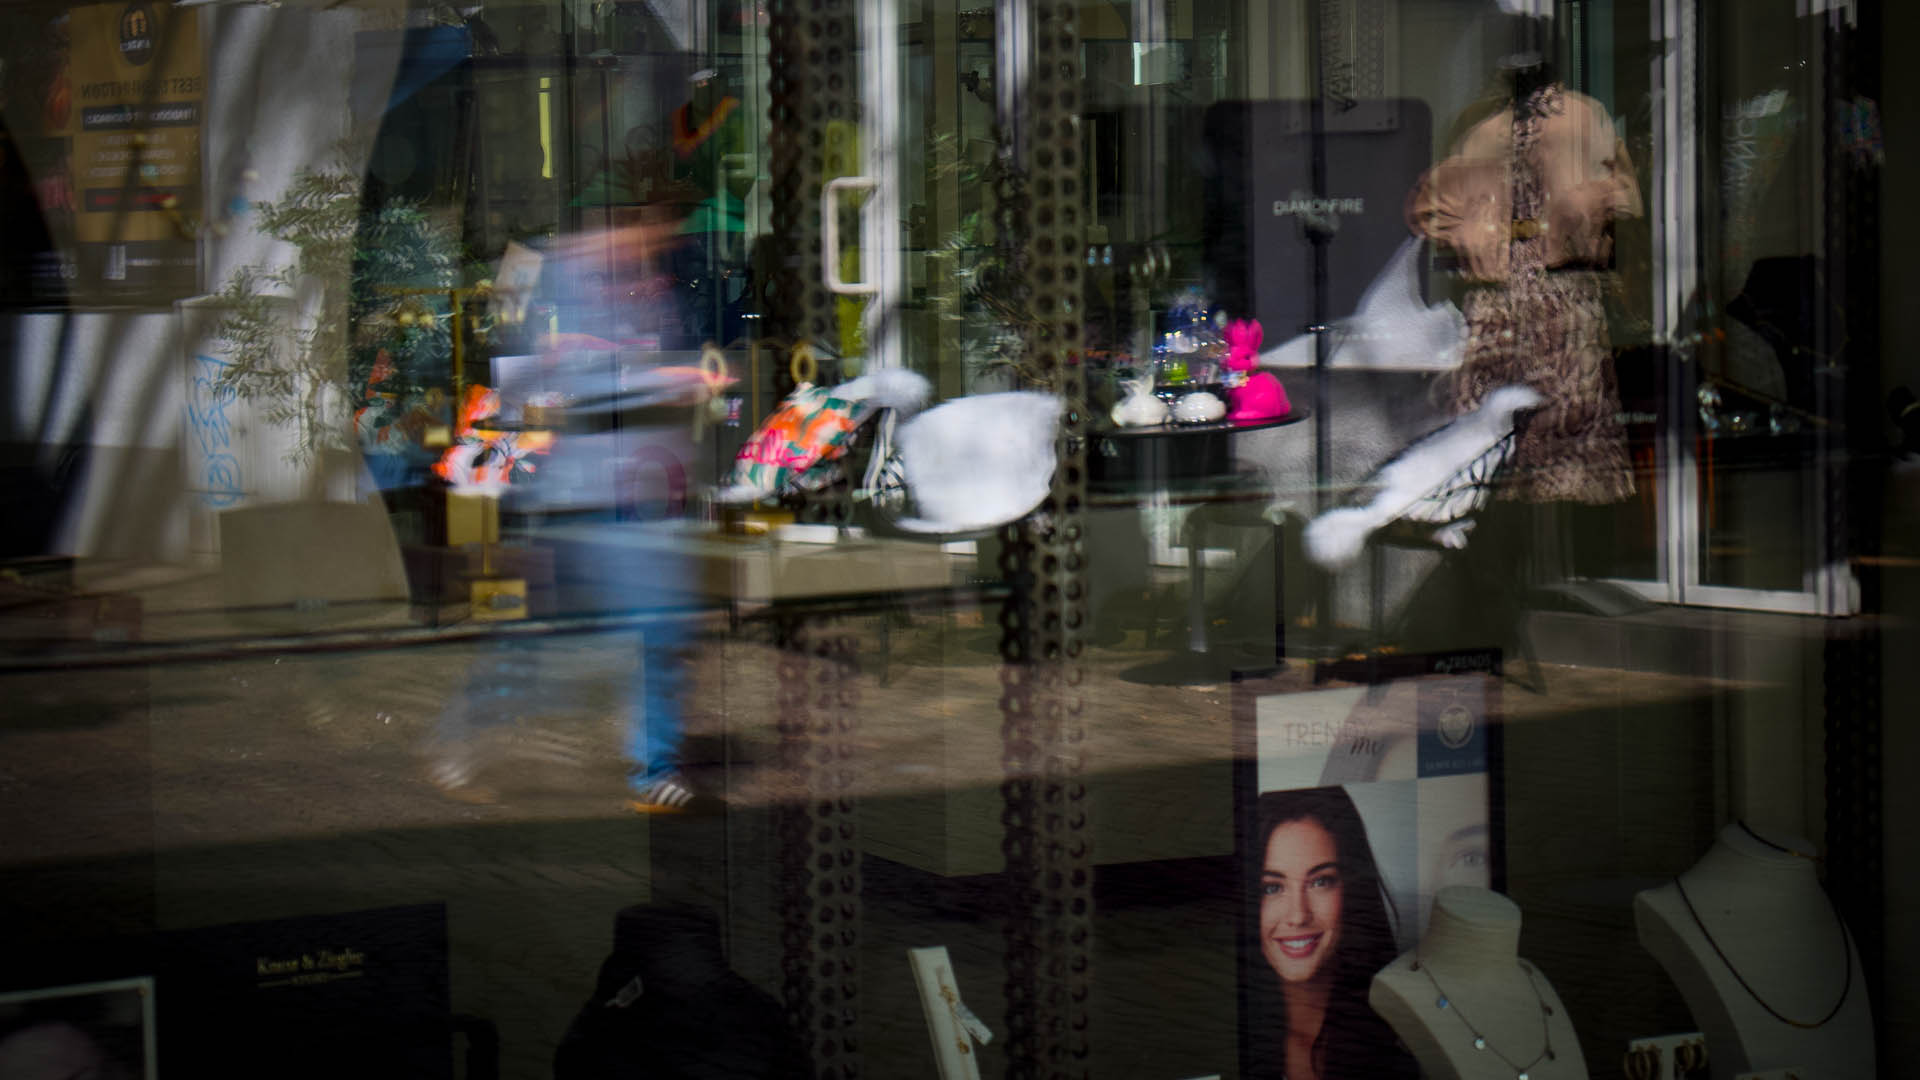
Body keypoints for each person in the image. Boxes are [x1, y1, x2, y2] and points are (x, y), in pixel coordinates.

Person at [1246, 787, 1416, 1080]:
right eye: (1272, 888)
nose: (1299, 915)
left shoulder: (1408, 1033)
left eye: (1320, 881)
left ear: (1352, 889)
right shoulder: (1222, 1033)